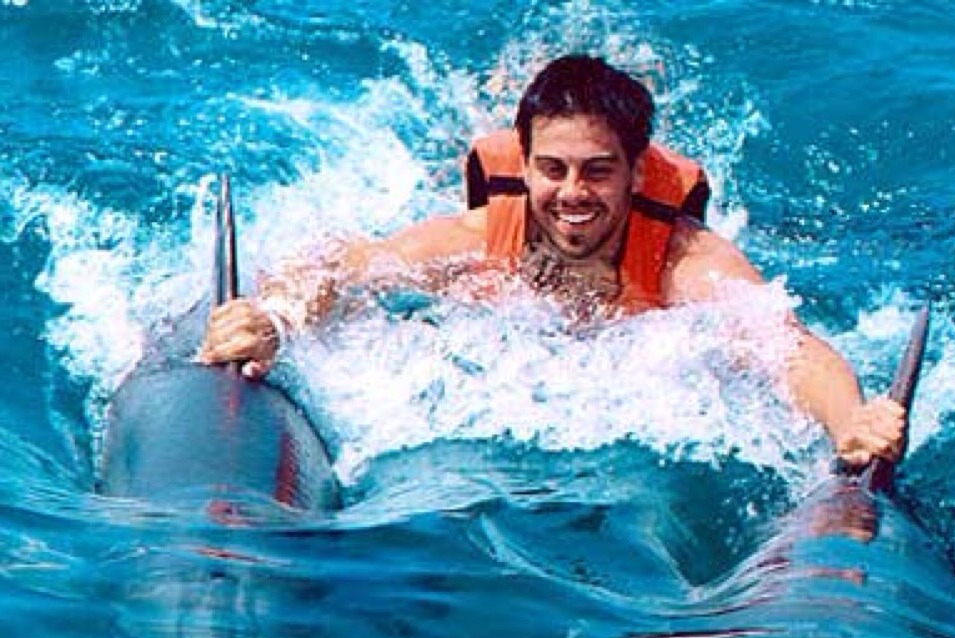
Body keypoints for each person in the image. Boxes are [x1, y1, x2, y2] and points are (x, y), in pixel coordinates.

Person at [201, 54, 905, 469]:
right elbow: (341, 262)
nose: (572, 195)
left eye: (598, 171)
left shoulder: (684, 260)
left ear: (636, 173)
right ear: (527, 166)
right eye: (553, 169)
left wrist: (849, 422)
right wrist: (274, 319)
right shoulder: (486, 234)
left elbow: (791, 349)